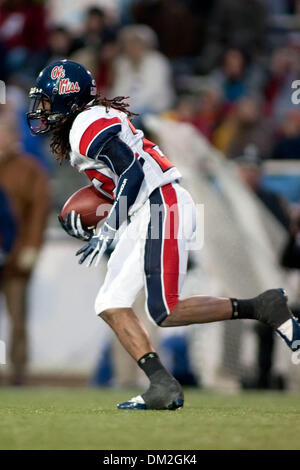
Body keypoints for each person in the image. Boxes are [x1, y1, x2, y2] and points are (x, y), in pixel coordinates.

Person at [27, 59, 300, 410]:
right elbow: (123, 177)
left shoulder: (85, 124)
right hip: (148, 208)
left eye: (47, 101)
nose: (43, 111)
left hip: (161, 204)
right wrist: (97, 213)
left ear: (68, 97)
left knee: (164, 310)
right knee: (110, 303)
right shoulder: (89, 121)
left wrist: (107, 229)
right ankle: (161, 385)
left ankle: (264, 307)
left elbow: (134, 174)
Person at [0, 120, 50, 385]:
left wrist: (31, 247)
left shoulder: (29, 168)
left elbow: (39, 211)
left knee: (18, 319)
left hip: (15, 258)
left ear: (12, 137)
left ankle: (18, 375)